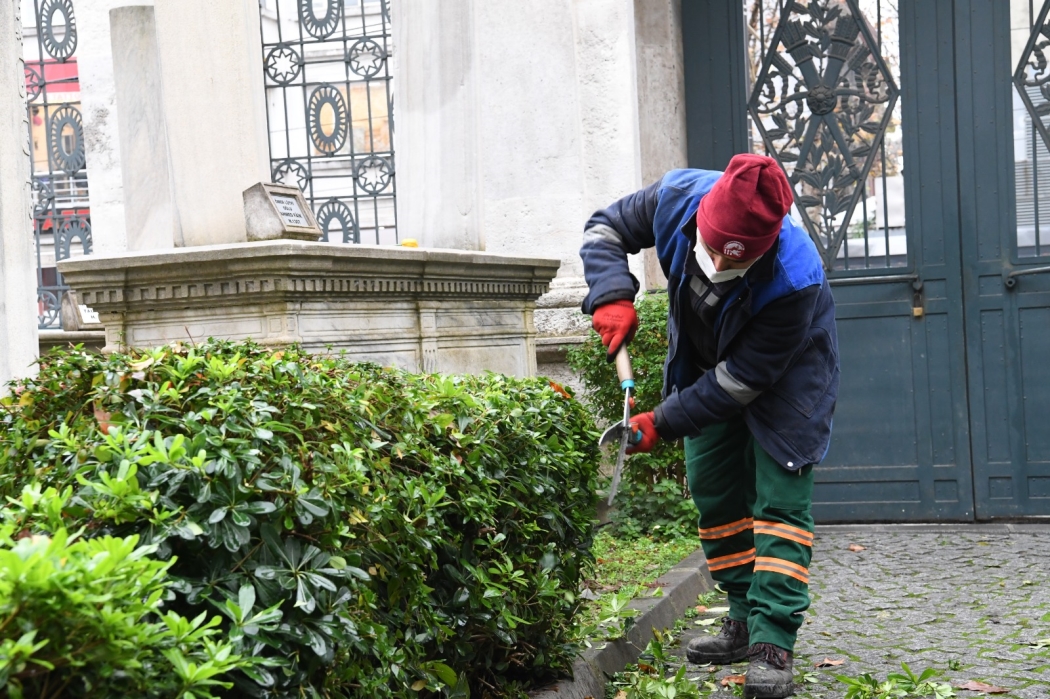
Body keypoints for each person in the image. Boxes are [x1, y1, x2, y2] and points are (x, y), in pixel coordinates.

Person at [579, 154, 839, 699]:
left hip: (789, 379)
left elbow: (744, 379)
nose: (718, 261)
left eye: (735, 258)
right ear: (702, 215)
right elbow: (605, 228)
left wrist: (662, 421)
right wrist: (610, 293)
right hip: (703, 360)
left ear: (765, 246)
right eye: (713, 246)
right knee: (714, 491)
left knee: (780, 507)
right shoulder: (676, 198)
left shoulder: (796, 277)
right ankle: (741, 620)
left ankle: (772, 644)